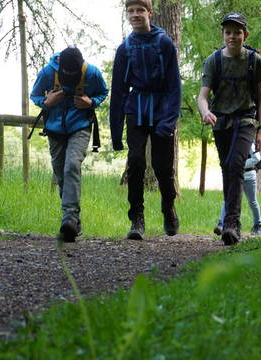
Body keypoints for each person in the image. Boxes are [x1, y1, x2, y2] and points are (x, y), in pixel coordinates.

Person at [110, 0, 182, 239]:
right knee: (136, 161)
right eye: (131, 11)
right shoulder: (124, 48)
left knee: (163, 167)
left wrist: (169, 120)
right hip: (136, 109)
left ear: (149, 13)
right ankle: (136, 219)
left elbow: (174, 86)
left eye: (140, 10)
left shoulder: (164, 44)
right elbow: (119, 90)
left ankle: (168, 208)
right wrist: (115, 131)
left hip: (162, 110)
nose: (135, 15)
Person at [197, 13, 261, 245]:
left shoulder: (253, 61)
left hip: (246, 120)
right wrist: (205, 112)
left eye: (237, 32)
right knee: (227, 167)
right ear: (223, 34)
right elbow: (203, 96)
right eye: (228, 32)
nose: (232, 36)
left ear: (245, 35)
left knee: (236, 163)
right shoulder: (213, 61)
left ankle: (232, 223)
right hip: (220, 122)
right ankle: (230, 220)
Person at [30, 46, 109, 243]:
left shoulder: (91, 72)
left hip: (80, 126)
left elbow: (103, 92)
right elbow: (35, 95)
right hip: (55, 129)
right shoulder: (48, 72)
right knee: (60, 171)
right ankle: (74, 220)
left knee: (72, 165)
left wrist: (91, 103)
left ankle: (70, 219)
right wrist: (47, 102)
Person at [214, 142, 261, 235]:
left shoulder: (248, 142)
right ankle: (221, 225)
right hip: (235, 175)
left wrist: (240, 164)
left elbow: (257, 158)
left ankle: (258, 225)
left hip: (249, 176)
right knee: (228, 200)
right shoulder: (230, 142)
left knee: (252, 201)